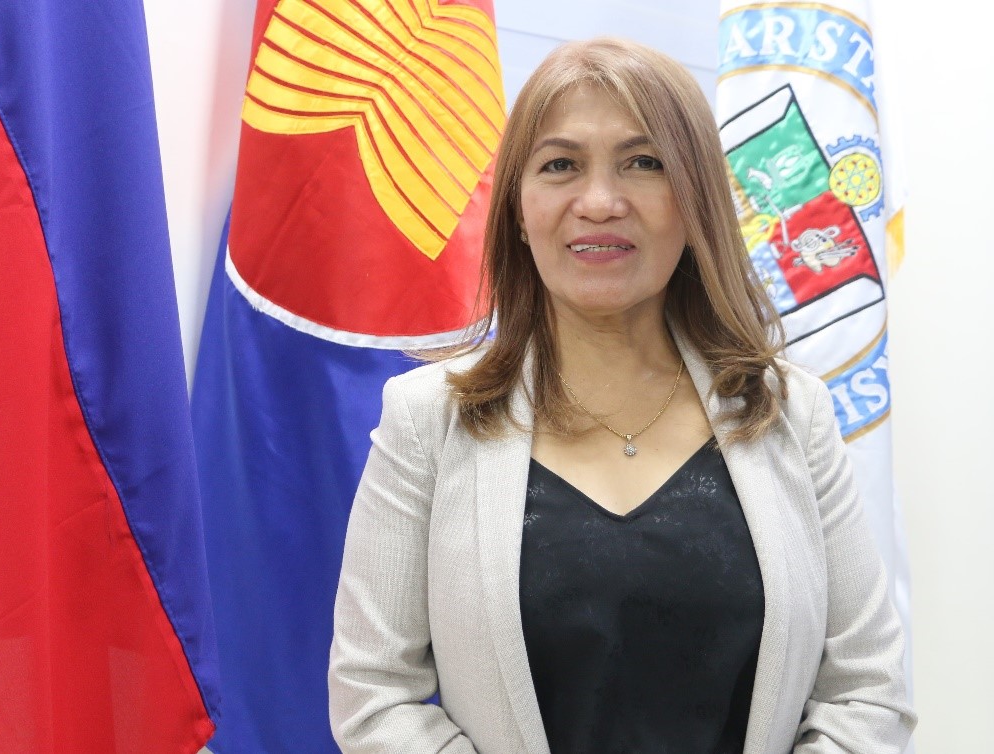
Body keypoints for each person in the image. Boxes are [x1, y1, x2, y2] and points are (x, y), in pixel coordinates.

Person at [327, 37, 915, 753]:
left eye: (644, 163)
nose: (600, 202)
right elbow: (374, 693)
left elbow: (866, 689)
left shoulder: (792, 414)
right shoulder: (429, 419)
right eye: (560, 165)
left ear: (696, 203)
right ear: (517, 210)